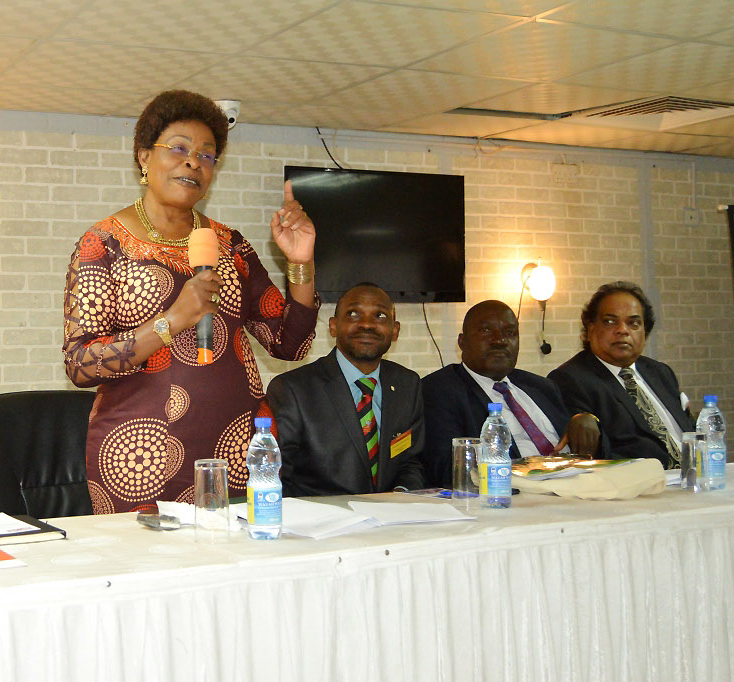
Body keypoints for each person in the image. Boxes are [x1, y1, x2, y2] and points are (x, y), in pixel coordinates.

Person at [63, 90, 319, 513]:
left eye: (207, 155)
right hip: (139, 455)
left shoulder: (230, 244)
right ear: (143, 157)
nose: (193, 162)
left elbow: (288, 345)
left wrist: (301, 264)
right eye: (179, 148)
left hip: (236, 450)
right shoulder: (104, 243)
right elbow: (81, 364)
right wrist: (172, 320)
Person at [266, 283, 425, 496]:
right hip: (321, 523)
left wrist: (399, 495)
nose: (367, 325)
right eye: (353, 314)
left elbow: (411, 460)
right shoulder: (292, 389)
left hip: (391, 521)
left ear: (395, 331)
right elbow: (277, 475)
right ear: (332, 326)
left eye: (380, 316)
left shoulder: (408, 384)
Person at [420, 300, 602, 486]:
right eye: (486, 331)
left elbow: (590, 451)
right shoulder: (439, 390)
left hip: (577, 486)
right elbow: (447, 471)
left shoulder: (542, 387)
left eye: (510, 333)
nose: (500, 340)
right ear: (462, 342)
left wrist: (587, 420)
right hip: (512, 497)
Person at [548, 281, 693, 466]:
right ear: (590, 329)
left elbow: (692, 431)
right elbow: (597, 453)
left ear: (644, 333)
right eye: (610, 321)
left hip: (695, 478)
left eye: (633, 323)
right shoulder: (569, 380)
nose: (622, 330)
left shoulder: (661, 373)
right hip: (644, 485)